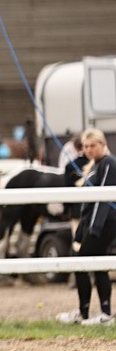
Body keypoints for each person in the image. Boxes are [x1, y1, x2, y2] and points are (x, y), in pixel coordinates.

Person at [57, 128, 116, 325]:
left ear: (102, 144)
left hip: (104, 225)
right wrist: (82, 231)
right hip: (90, 224)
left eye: (93, 145)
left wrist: (94, 228)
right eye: (86, 146)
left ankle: (97, 313)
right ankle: (95, 312)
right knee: (93, 266)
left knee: (82, 264)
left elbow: (103, 198)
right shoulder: (93, 166)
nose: (89, 150)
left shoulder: (108, 163)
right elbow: (86, 205)